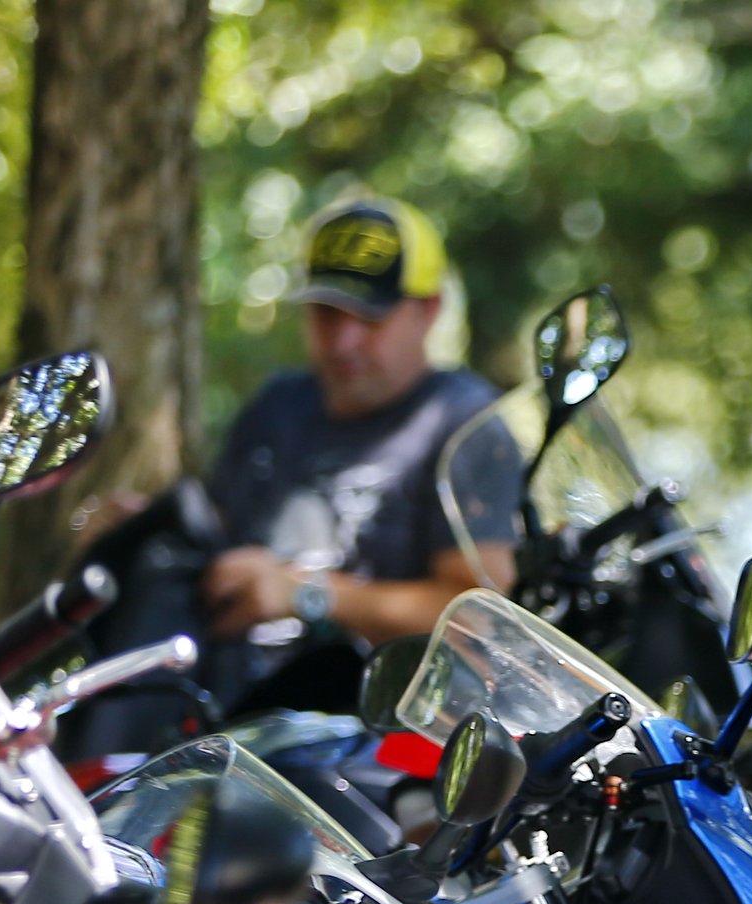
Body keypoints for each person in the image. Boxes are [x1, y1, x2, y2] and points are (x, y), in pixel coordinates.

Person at [198, 195, 521, 704]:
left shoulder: (463, 426)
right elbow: (218, 535)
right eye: (327, 313)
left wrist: (309, 595)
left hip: (379, 737)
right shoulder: (276, 407)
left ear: (428, 309)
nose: (344, 340)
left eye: (370, 318)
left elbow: (479, 615)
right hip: (230, 707)